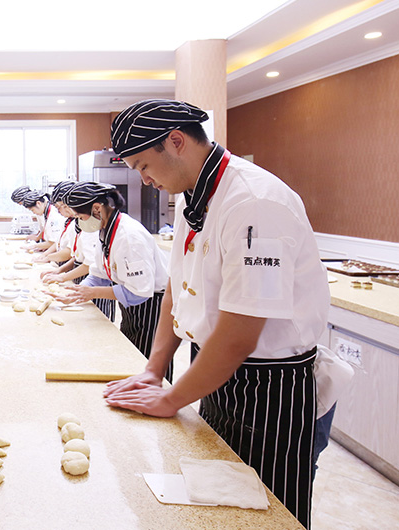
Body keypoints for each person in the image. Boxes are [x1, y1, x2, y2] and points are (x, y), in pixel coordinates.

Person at [102, 99, 330, 529]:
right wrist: (154, 370)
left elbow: (241, 331)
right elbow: (177, 286)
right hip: (215, 370)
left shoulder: (254, 202)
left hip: (269, 387)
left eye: (144, 166)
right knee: (218, 503)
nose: (144, 179)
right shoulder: (194, 196)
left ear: (176, 141)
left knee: (267, 511)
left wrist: (172, 399)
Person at [54, 182, 170, 366]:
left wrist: (93, 293)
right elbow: (98, 274)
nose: (79, 222)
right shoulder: (105, 230)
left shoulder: (129, 236)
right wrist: (77, 292)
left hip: (152, 306)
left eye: (80, 217)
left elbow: (139, 292)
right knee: (131, 356)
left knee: (147, 364)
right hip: (132, 305)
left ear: (97, 208)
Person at [40, 181, 116, 321]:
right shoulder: (80, 223)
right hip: (88, 278)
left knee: (97, 321)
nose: (61, 211)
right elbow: (83, 259)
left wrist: (62, 276)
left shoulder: (95, 226)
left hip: (99, 283)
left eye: (61, 207)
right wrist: (60, 273)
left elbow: (89, 264)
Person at [34, 181, 77, 264]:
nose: (58, 212)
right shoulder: (69, 221)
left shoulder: (80, 223)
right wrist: (45, 255)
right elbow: (58, 243)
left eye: (59, 207)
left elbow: (70, 252)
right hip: (61, 261)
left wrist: (48, 257)